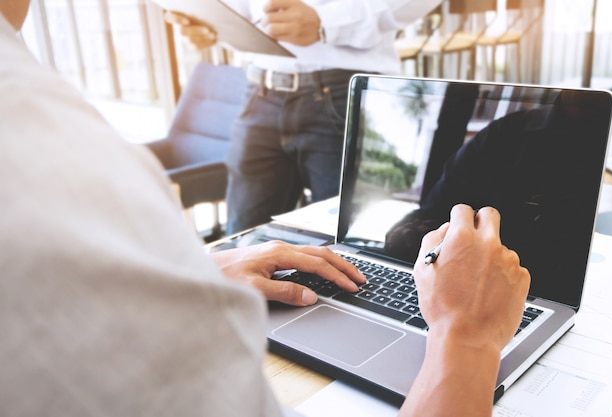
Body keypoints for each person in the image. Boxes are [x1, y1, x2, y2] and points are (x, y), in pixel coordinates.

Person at [0, 2, 530, 416]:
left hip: (335, 85)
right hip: (262, 88)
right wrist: (466, 336)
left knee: (344, 257)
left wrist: (183, 271)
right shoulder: (45, 148)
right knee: (318, 249)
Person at [165, 0, 443, 235]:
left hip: (343, 92)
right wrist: (216, 25)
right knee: (242, 239)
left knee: (349, 239)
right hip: (259, 92)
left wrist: (327, 22)